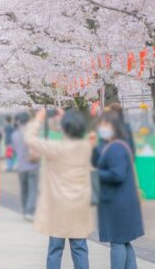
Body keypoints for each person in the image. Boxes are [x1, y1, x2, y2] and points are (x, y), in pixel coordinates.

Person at [25, 109, 94, 269]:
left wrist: (38, 119)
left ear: (63, 128)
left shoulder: (55, 148)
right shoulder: (86, 148)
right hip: (79, 206)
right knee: (80, 248)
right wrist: (70, 119)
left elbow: (29, 138)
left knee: (55, 249)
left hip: (58, 206)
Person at [92, 111, 144, 269]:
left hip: (117, 203)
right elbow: (99, 162)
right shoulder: (118, 145)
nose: (101, 128)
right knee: (124, 241)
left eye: (105, 125)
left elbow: (117, 174)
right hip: (122, 202)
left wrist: (94, 174)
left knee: (117, 242)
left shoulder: (115, 148)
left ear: (114, 128)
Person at [11, 111, 40, 221]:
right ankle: (30, 211)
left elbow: (15, 150)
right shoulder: (32, 134)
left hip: (21, 166)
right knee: (32, 190)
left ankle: (24, 210)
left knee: (24, 190)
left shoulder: (14, 135)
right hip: (33, 165)